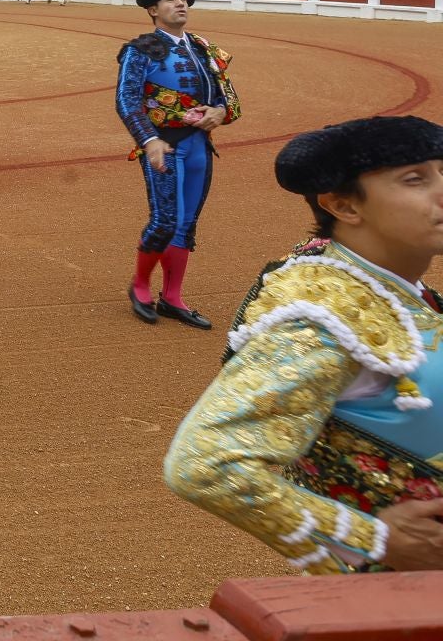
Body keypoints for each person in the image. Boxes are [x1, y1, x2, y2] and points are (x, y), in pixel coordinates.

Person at [164, 116, 443, 575]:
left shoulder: (390, 287)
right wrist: (372, 540)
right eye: (414, 179)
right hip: (404, 595)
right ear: (343, 206)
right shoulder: (323, 317)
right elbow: (207, 463)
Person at [116, 0, 242, 328]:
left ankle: (173, 298)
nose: (180, 3)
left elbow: (225, 96)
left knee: (186, 224)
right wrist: (148, 140)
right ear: (153, 11)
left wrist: (219, 112)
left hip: (199, 145)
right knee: (166, 219)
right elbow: (126, 100)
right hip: (163, 144)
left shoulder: (203, 49)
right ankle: (140, 285)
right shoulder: (140, 50)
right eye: (171, 0)